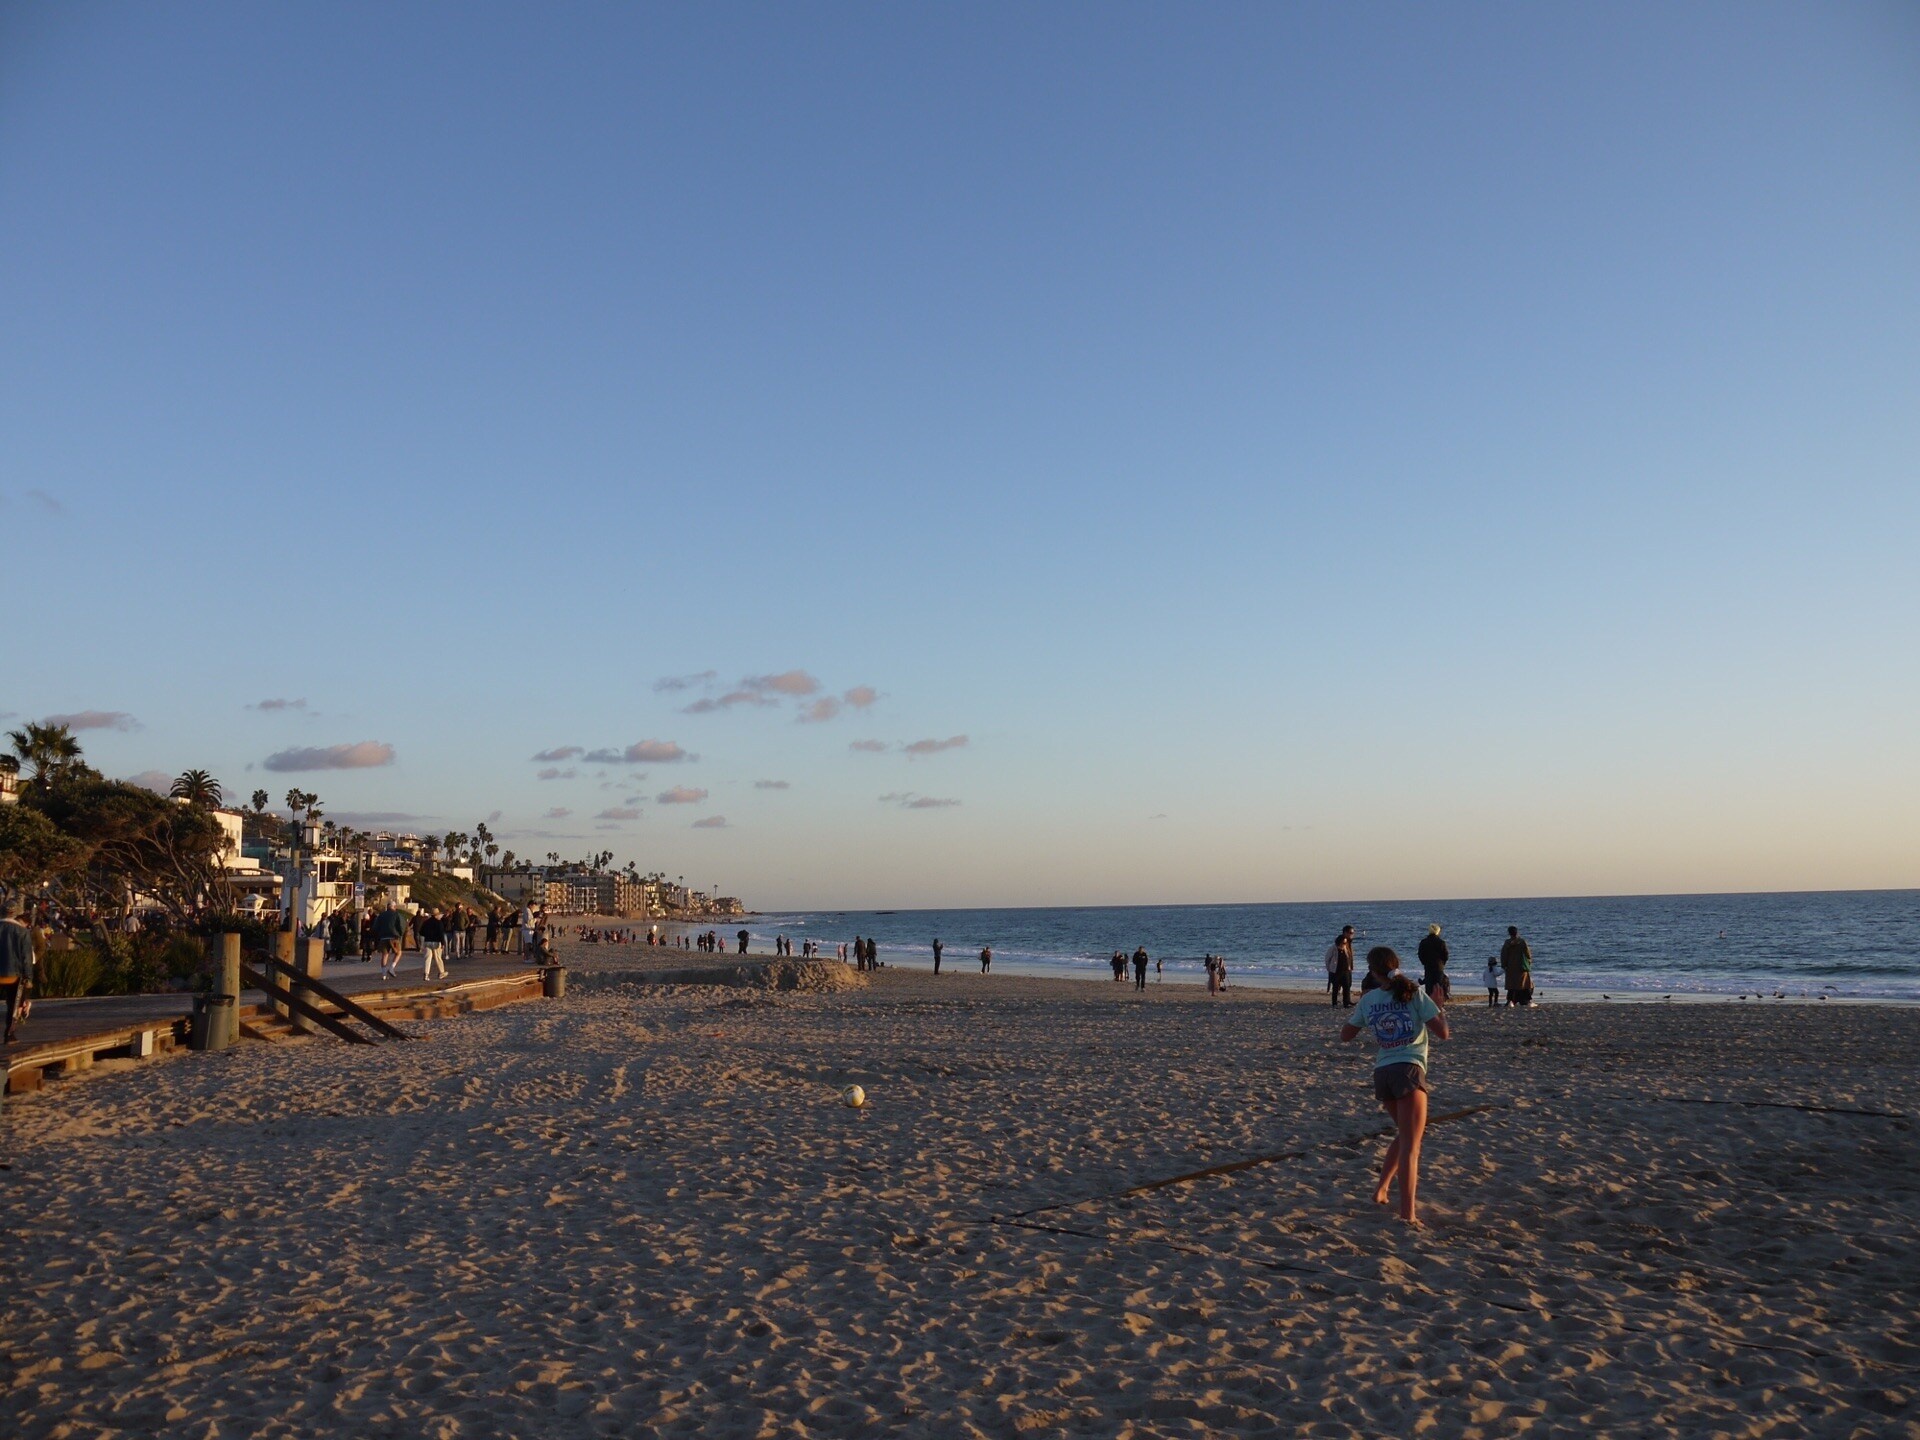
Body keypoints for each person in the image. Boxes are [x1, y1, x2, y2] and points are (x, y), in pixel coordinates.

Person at [1341, 947, 1450, 1225]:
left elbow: (1346, 1036)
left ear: (1374, 972)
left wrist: (1365, 1011)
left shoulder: (1370, 1000)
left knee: (1404, 1135)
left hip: (1383, 1072)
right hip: (1409, 1069)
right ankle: (1408, 1213)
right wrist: (1440, 1008)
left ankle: (1381, 1190)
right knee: (1412, 1146)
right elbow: (1443, 1034)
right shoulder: (1414, 993)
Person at [1, 899, 34, 1042]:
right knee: (13, 1004)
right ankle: (9, 1034)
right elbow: (26, 957)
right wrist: (28, 977)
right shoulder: (22, 932)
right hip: (13, 973)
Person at [372, 901, 408, 980]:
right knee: (398, 953)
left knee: (385, 955)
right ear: (394, 907)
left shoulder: (381, 915)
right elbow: (402, 925)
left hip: (383, 937)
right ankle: (391, 968)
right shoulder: (397, 915)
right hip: (394, 937)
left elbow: (375, 927)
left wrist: (379, 935)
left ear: (387, 907)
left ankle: (384, 975)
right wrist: (400, 934)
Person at [1416, 924, 1451, 1004]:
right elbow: (1446, 955)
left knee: (1429, 987)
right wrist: (1442, 963)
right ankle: (1439, 1004)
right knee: (1438, 987)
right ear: (1438, 932)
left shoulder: (1424, 942)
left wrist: (1424, 962)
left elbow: (1420, 954)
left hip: (1428, 966)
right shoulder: (1441, 942)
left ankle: (1429, 1004)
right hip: (1439, 967)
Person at [1501, 926, 1534, 1006]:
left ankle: (1510, 1001)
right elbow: (1528, 954)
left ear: (1509, 933)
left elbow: (1503, 955)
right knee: (1525, 984)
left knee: (1512, 985)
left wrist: (1504, 965)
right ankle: (1528, 1001)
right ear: (1517, 932)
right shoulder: (1522, 942)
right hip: (1521, 966)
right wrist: (1529, 961)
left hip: (1511, 967)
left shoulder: (1507, 943)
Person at [1325, 926, 1355, 1008]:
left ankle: (1346, 1002)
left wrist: (1350, 967)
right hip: (1336, 971)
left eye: (1352, 933)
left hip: (1346, 969)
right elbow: (1327, 959)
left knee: (1347, 986)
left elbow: (1349, 957)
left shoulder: (1347, 945)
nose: (1352, 935)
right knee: (1335, 987)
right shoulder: (1334, 948)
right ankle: (1334, 1003)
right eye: (1350, 933)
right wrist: (1330, 969)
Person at [420, 908, 447, 982]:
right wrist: (443, 943)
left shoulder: (426, 922)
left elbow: (421, 932)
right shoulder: (439, 922)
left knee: (427, 958)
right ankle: (441, 972)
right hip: (436, 942)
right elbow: (441, 933)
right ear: (437, 915)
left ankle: (426, 975)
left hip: (427, 941)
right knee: (438, 958)